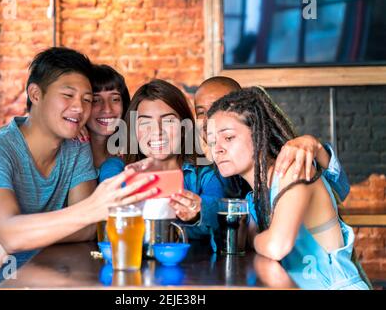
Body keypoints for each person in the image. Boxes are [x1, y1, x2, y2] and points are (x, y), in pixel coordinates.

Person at [0, 47, 157, 290]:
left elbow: (85, 229)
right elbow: (11, 229)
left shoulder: (76, 148)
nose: (79, 108)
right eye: (68, 95)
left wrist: (13, 241)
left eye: (86, 99)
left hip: (31, 281)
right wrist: (95, 207)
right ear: (36, 94)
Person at [206, 87, 369, 289]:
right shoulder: (253, 198)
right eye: (212, 141)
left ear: (259, 134)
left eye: (228, 137)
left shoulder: (293, 170)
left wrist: (255, 238)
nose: (217, 148)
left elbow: (276, 246)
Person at [99, 79, 226, 240]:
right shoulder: (115, 169)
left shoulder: (207, 174)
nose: (157, 131)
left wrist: (196, 214)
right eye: (145, 122)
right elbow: (110, 216)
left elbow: (218, 211)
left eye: (168, 121)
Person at [194, 76, 350, 202]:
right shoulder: (207, 167)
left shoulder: (287, 158)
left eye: (220, 107)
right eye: (201, 112)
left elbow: (340, 192)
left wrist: (319, 150)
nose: (210, 120)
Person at [0, 64, 131, 171]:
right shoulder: (64, 143)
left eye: (115, 99)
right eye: (94, 100)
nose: (107, 109)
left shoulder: (128, 147)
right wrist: (32, 122)